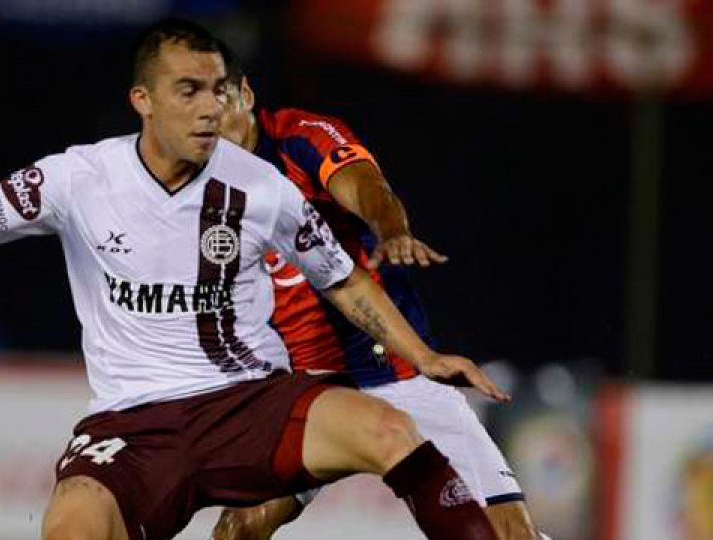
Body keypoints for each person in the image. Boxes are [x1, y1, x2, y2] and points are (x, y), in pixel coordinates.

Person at [0, 19, 510, 540]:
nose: (210, 108)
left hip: (250, 401)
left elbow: (344, 279)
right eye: (188, 90)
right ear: (143, 100)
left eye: (217, 90)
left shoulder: (260, 187)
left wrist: (422, 358)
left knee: (392, 433)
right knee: (71, 528)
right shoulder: (79, 178)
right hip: (134, 422)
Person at [210, 46, 549, 540]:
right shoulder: (201, 174)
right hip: (310, 386)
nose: (209, 119)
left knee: (506, 533)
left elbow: (365, 185)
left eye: (219, 100)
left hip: (394, 371)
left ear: (245, 94)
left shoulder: (299, 137)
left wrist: (390, 229)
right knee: (240, 527)